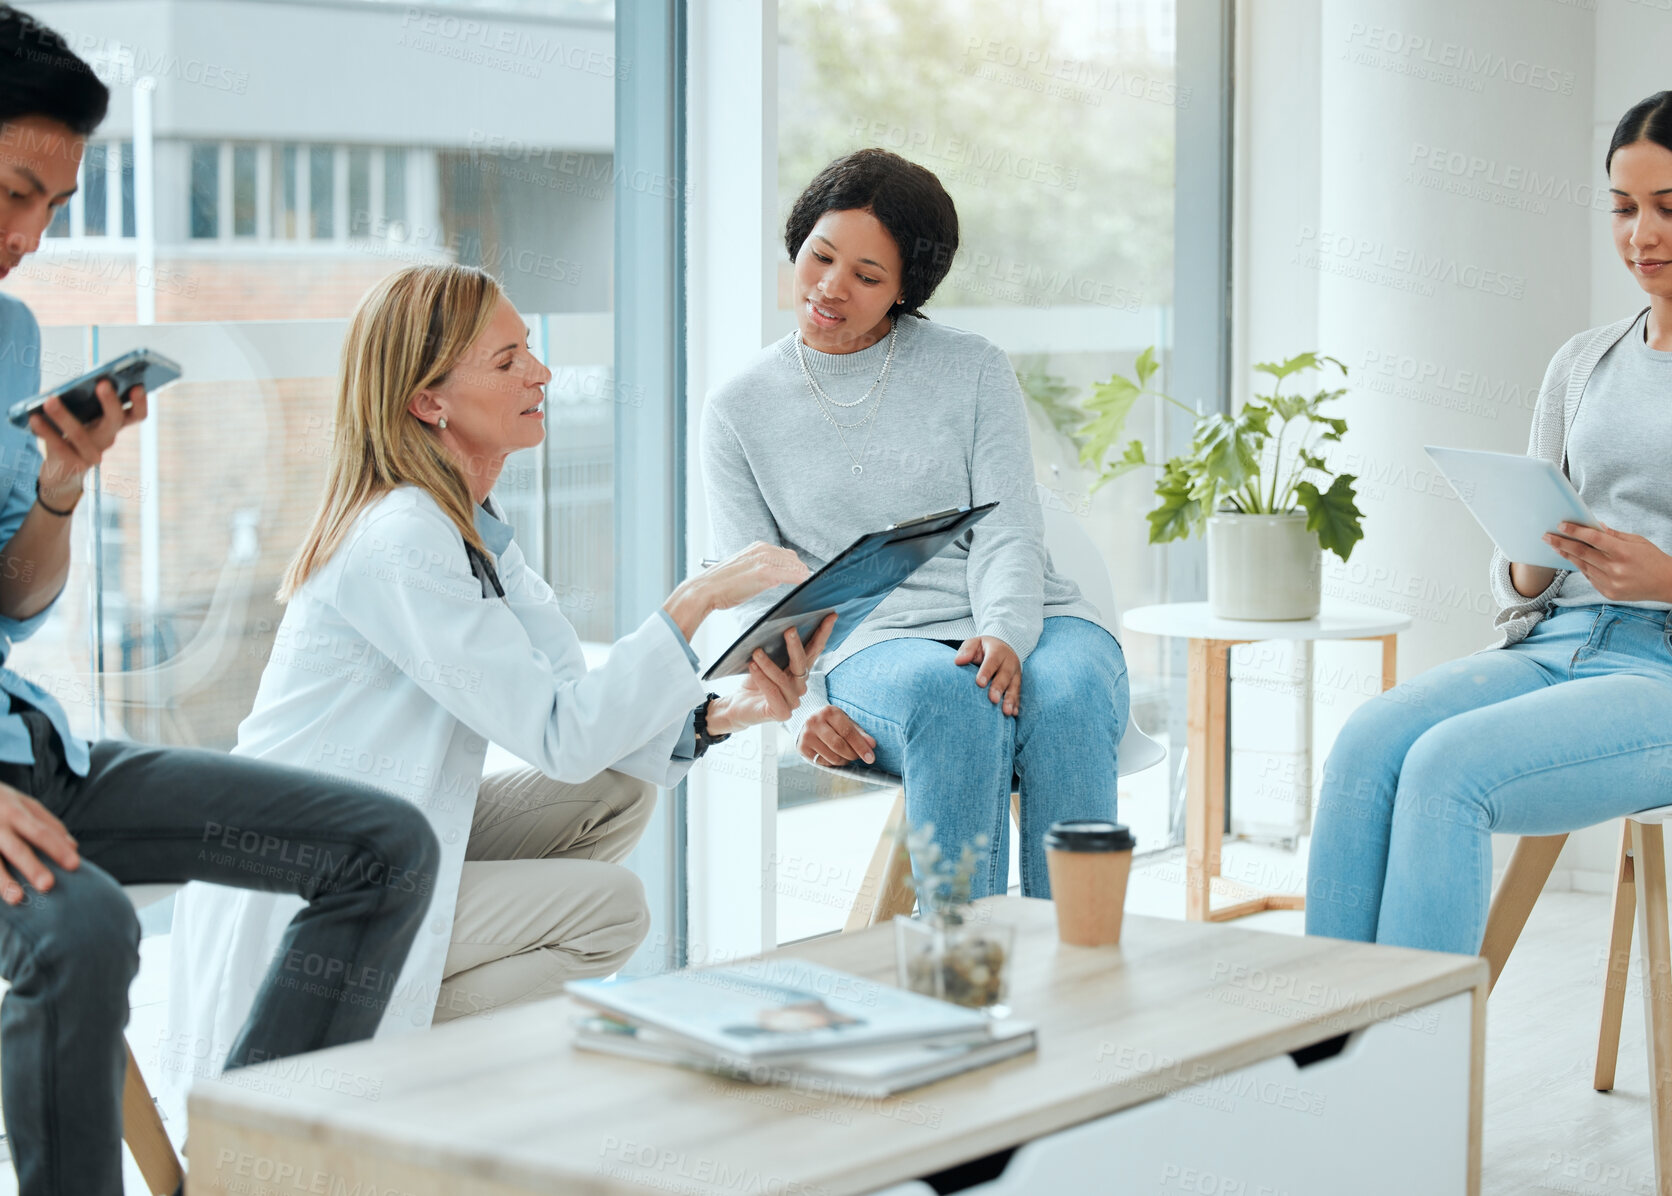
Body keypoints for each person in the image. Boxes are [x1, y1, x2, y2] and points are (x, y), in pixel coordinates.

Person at [168, 261, 831, 1080]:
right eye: (508, 359)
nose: (542, 372)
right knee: (608, 913)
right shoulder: (401, 537)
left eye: (532, 350)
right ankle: (374, 1061)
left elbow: (576, 712)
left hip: (386, 832)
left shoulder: (473, 529)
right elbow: (560, 734)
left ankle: (407, 1023)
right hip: (316, 875)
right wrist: (695, 599)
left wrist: (734, 712)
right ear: (428, 401)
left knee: (615, 789)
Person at [0, 9, 442, 1193]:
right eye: (11, 194)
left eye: (53, 206)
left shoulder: (7, 332)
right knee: (85, 924)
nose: (31, 236)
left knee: (384, 848)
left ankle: (247, 1173)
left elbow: (15, 602)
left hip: (30, 753)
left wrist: (59, 486)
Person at [701, 148, 1129, 900]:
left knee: (1067, 699)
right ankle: (962, 976)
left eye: (867, 277)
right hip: (871, 644)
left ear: (906, 290)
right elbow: (752, 594)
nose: (831, 289)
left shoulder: (972, 368)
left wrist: (1003, 632)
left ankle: (1080, 976)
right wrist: (801, 708)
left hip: (1034, 617)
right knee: (951, 699)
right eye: (819, 257)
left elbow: (1009, 528)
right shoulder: (738, 408)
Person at [1307, 91, 1672, 955]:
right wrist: (1530, 556)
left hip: (1659, 675)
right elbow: (1521, 580)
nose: (1640, 236)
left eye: (1668, 208)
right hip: (1557, 642)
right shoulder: (1584, 361)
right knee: (1367, 742)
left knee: (1447, 769)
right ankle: (1331, 1050)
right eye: (1622, 209)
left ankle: (1411, 1072)